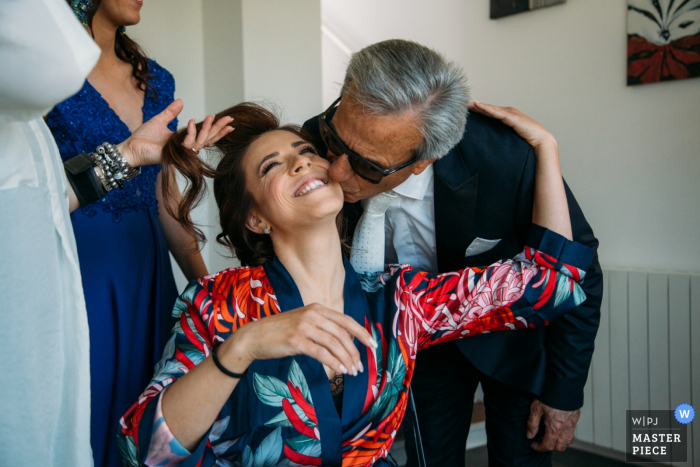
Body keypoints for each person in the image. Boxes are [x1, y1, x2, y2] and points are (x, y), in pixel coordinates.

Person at [117, 101, 593, 467]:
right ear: (256, 219)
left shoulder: (402, 299)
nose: (301, 164)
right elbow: (145, 450)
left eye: (305, 153)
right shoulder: (216, 302)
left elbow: (553, 282)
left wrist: (543, 150)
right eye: (272, 167)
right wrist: (243, 346)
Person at [301, 39, 603, 466]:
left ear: (425, 158)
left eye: (367, 165)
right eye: (336, 140)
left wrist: (565, 393)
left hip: (511, 343)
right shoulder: (315, 140)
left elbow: (580, 271)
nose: (336, 171)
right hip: (416, 344)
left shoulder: (508, 158)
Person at [0, 1, 229, 464]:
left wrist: (205, 287)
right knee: (88, 390)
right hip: (81, 257)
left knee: (151, 397)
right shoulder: (44, 69)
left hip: (146, 262)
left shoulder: (156, 79)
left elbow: (163, 196)